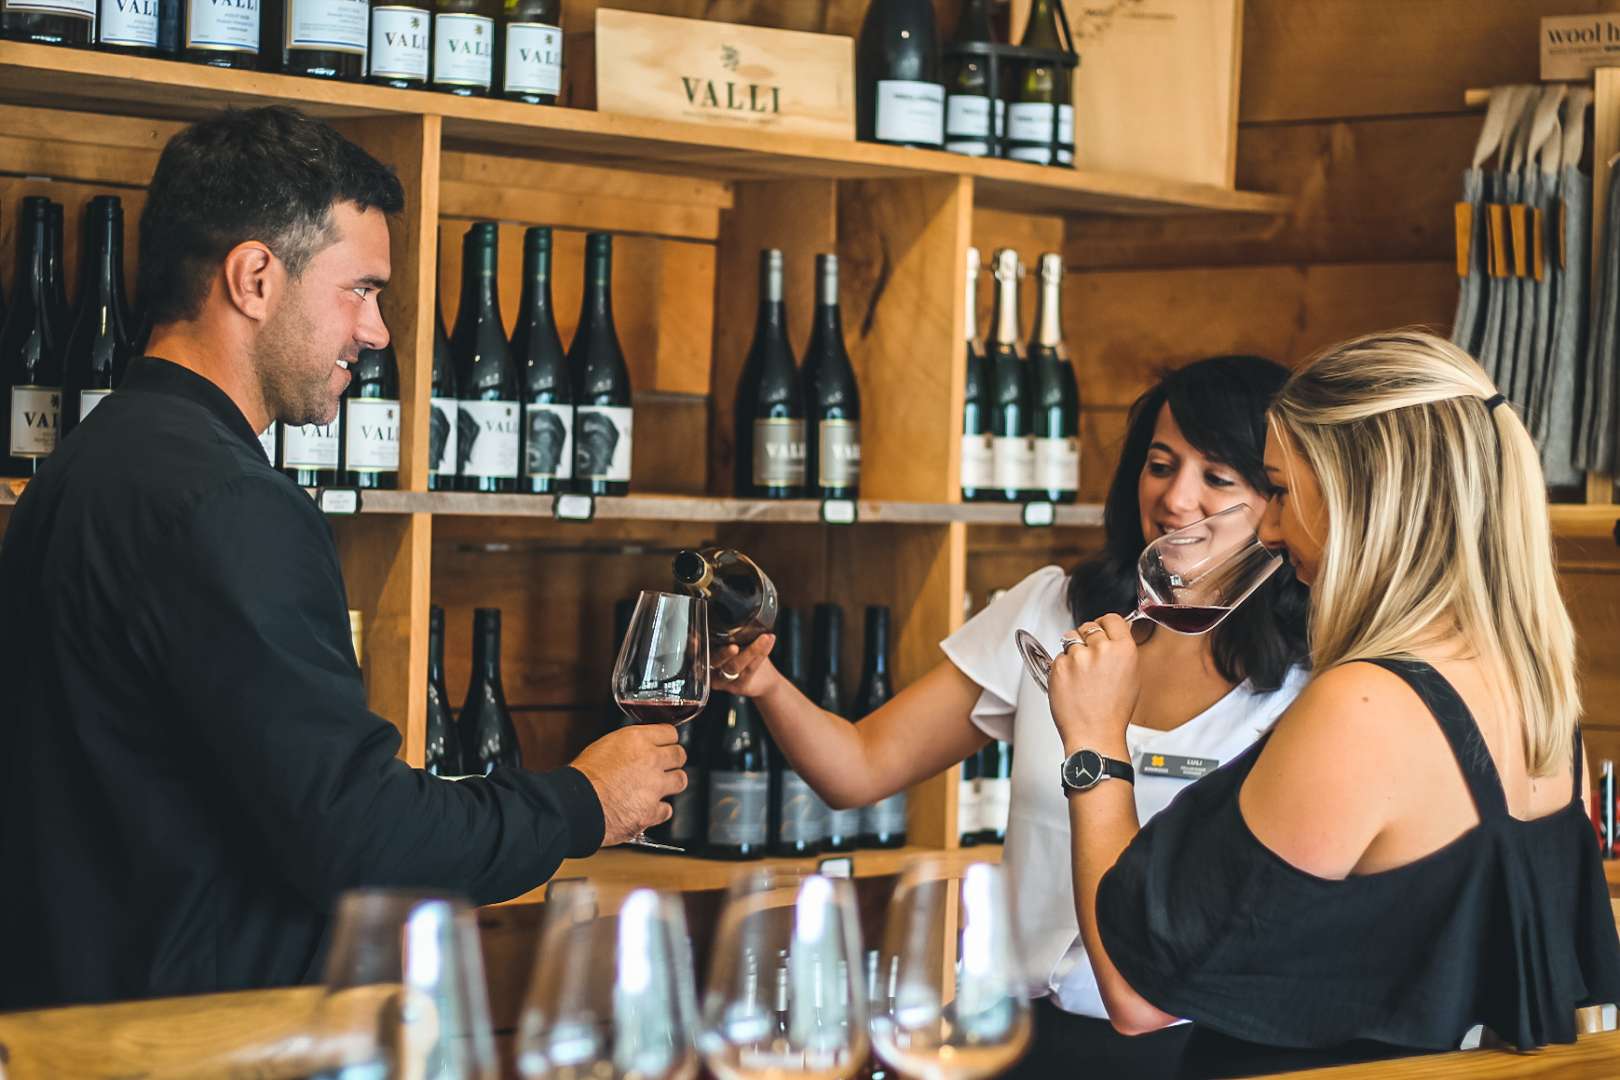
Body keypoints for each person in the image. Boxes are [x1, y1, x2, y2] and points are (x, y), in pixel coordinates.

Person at [0, 107, 683, 1011]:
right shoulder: (230, 501)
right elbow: (358, 838)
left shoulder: (87, 463)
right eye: (359, 290)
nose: (378, 333)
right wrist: (585, 800)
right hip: (192, 1045)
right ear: (254, 278)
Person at [1050, 330, 1620, 1077]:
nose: (1272, 529)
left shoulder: (1363, 706)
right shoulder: (1537, 695)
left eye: (1281, 490)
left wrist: (1093, 743)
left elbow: (1135, 995)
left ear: (1363, 492)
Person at [722, 355, 1311, 1077]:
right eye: (1160, 464)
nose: (1177, 498)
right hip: (1020, 1039)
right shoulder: (1054, 611)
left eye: (1218, 478)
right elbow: (859, 768)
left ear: (1277, 500)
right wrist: (765, 682)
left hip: (1196, 1052)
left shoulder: (1313, 681)